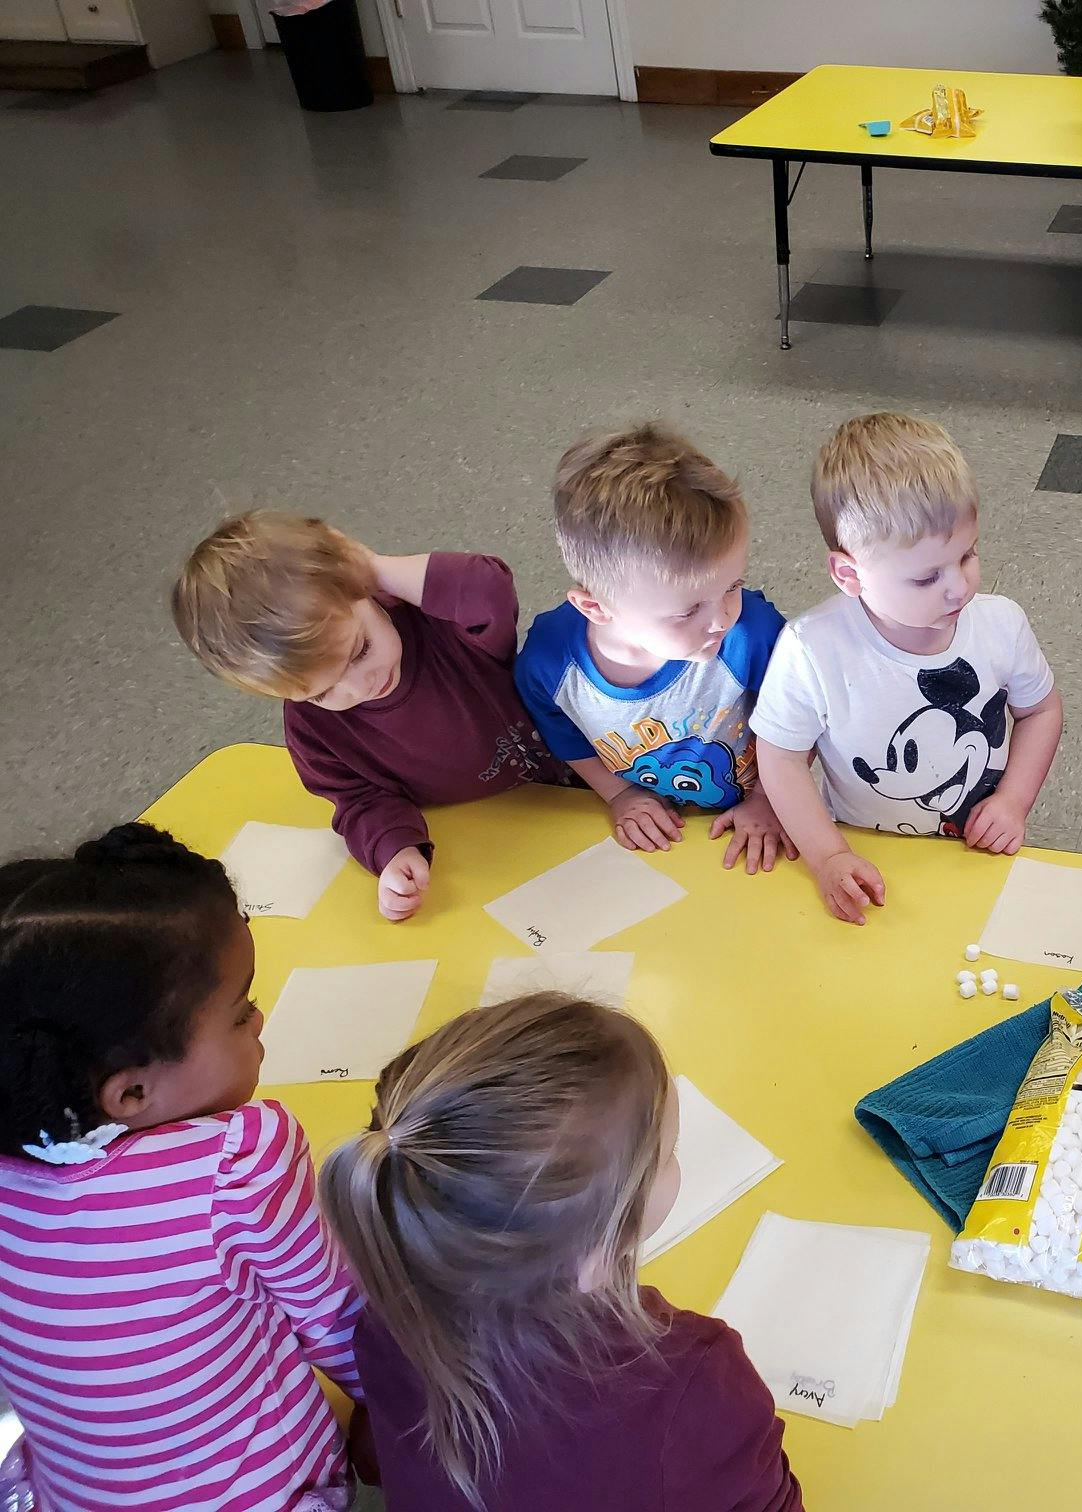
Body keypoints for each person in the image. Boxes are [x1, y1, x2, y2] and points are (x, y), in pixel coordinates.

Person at [318, 993, 803, 1511]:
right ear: (597, 1256)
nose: (675, 1161)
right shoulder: (694, 1384)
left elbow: (381, 1455)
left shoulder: (389, 1319)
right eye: (667, 1155)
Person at [0, 823, 365, 1511]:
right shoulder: (237, 1165)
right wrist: (409, 1412)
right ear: (131, 1093)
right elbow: (342, 1321)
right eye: (239, 1014)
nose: (260, 1021)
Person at [174, 513, 569, 921]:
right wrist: (395, 848)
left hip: (585, 765)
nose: (359, 686)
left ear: (362, 587)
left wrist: (373, 568)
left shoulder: (443, 625)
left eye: (360, 651)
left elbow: (488, 586)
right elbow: (359, 799)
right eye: (323, 692)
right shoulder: (313, 728)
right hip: (490, 835)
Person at [753, 413, 1065, 924]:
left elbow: (1042, 710)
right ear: (849, 574)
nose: (960, 587)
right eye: (926, 578)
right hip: (863, 849)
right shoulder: (812, 649)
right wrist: (827, 855)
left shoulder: (1000, 623)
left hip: (976, 852)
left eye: (968, 555)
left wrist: (1013, 800)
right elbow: (781, 756)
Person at [515, 425, 794, 873]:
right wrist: (618, 794)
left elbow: (800, 721)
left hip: (754, 820)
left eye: (733, 586)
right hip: (645, 844)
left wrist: (769, 799)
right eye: (687, 612)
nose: (722, 618)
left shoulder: (754, 636)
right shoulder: (548, 665)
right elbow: (560, 732)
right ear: (596, 607)